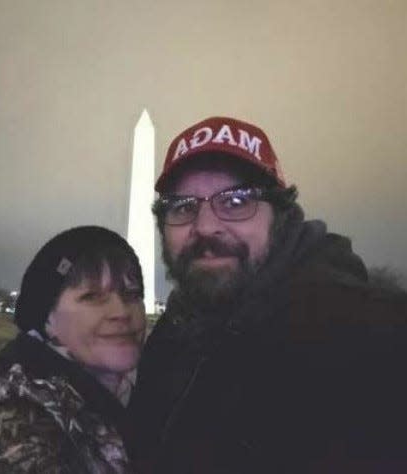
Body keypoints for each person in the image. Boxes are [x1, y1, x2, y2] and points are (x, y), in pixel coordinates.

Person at [128, 117, 407, 473]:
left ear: (281, 216)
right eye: (183, 207)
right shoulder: (174, 330)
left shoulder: (374, 343)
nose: (206, 226)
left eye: (236, 201)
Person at [0, 226, 146, 473]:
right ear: (47, 319)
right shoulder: (15, 430)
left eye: (133, 294)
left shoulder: (141, 393)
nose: (121, 312)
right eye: (92, 296)